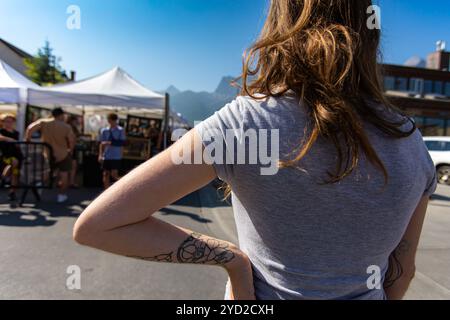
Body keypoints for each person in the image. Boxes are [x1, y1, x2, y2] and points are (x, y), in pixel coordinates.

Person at [73, 0, 437, 300]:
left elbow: (99, 224)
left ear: (282, 24)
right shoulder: (410, 142)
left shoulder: (248, 122)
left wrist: (232, 260)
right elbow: (401, 271)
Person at [26, 108, 75, 204]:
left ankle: (39, 184)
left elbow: (30, 128)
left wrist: (28, 139)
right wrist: (70, 150)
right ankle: (61, 195)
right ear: (61, 115)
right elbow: (71, 140)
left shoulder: (44, 122)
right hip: (63, 154)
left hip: (48, 153)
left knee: (48, 171)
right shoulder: (66, 126)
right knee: (64, 174)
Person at [98, 113, 126, 189]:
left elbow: (122, 143)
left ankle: (122, 187)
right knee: (105, 174)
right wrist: (100, 155)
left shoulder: (120, 130)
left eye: (113, 120)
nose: (111, 122)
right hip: (106, 155)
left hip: (116, 156)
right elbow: (101, 143)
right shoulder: (104, 130)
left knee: (114, 174)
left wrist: (109, 143)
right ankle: (106, 191)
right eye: (110, 120)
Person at [0, 114, 23, 207]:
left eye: (10, 121)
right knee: (13, 162)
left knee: (15, 173)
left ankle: (12, 192)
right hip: (6, 156)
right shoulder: (2, 131)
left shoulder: (16, 132)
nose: (9, 123)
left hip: (16, 155)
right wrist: (11, 140)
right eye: (6, 121)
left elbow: (17, 144)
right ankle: (3, 178)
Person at [67, 115, 81, 188]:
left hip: (71, 149)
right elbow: (72, 139)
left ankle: (69, 182)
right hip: (70, 149)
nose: (76, 122)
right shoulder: (69, 128)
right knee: (72, 166)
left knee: (72, 166)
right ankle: (70, 182)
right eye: (75, 121)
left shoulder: (73, 128)